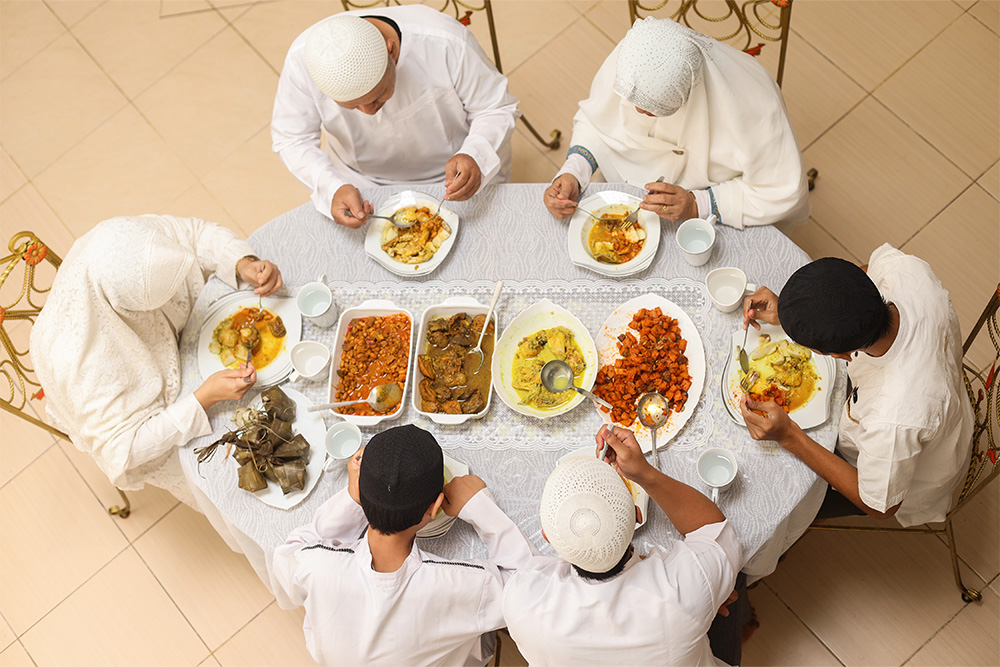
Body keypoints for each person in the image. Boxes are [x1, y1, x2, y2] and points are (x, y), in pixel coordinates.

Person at [30, 215, 282, 506]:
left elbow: (196, 235)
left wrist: (242, 261)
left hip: (189, 347)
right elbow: (124, 450)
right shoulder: (82, 361)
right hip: (144, 421)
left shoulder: (125, 240)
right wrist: (202, 399)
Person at [740, 246, 974, 525]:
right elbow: (864, 273)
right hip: (941, 391)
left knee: (773, 503)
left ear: (839, 355)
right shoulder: (907, 271)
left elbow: (879, 507)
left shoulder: (892, 418)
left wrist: (790, 435)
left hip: (912, 472)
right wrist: (796, 312)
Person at [271, 424, 536, 666]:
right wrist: (479, 506)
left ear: (361, 490)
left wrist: (351, 500)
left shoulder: (314, 564)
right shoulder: (464, 583)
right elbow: (532, 591)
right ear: (434, 508)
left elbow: (286, 558)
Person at [503, 426, 745, 665]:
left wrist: (705, 592)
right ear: (638, 515)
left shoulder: (523, 605)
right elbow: (714, 532)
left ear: (547, 536)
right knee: (737, 582)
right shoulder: (683, 592)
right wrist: (644, 474)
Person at [544, 17, 809, 230]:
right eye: (632, 100)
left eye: (652, 111)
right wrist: (574, 172)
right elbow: (598, 121)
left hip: (715, 202)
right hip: (624, 185)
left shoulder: (755, 105)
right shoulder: (631, 60)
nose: (635, 110)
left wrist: (698, 204)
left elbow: (781, 191)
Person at [272, 7, 520, 228]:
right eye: (352, 107)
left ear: (390, 51)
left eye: (376, 98)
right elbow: (293, 139)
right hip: (360, 181)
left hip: (456, 172)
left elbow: (495, 108)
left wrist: (476, 155)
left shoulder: (445, 43)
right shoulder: (302, 61)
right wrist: (331, 187)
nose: (369, 113)